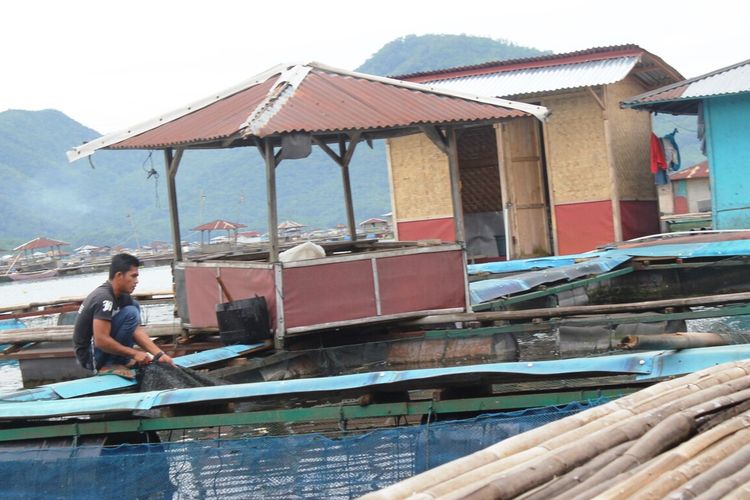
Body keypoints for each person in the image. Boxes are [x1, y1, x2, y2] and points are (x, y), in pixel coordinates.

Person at [73, 253, 174, 376]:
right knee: (130, 313)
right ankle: (109, 364)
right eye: (133, 276)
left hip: (100, 351)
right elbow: (101, 340)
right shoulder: (104, 298)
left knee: (134, 307)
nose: (136, 281)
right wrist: (134, 353)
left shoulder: (123, 297)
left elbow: (136, 330)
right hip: (90, 357)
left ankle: (120, 360)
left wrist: (159, 354)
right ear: (119, 275)